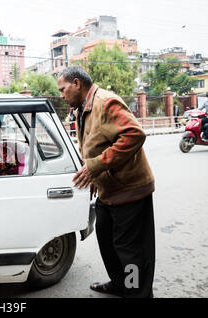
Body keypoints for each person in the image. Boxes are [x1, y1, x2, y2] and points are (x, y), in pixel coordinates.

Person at [57, 65, 156, 298]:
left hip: (129, 191)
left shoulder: (105, 101)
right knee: (108, 243)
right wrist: (94, 175)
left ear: (77, 84)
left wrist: (96, 166)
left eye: (63, 89)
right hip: (108, 191)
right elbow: (95, 145)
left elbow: (134, 134)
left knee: (130, 252)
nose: (61, 95)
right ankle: (120, 283)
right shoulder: (83, 107)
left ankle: (136, 292)